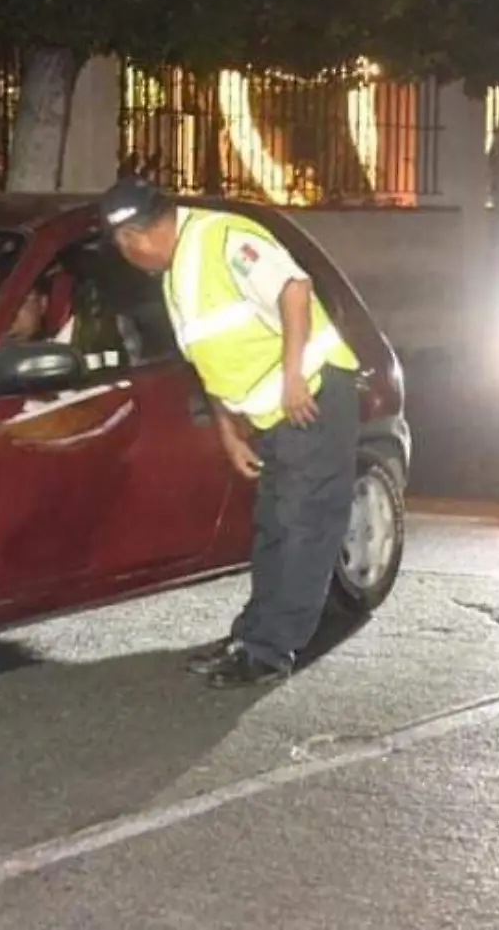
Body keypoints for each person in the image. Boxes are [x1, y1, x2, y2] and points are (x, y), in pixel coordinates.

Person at [100, 178, 361, 689]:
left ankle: (270, 650)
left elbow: (294, 288)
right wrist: (228, 430)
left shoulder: (223, 238)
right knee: (273, 525)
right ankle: (253, 637)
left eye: (127, 244)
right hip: (273, 416)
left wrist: (291, 376)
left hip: (314, 395)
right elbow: (209, 358)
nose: (128, 255)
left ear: (136, 238)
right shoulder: (177, 270)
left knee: (302, 527)